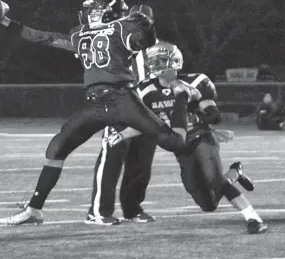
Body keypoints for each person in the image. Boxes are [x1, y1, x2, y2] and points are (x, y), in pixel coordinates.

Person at [0, 0, 191, 225]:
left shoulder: (114, 28)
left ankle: (182, 99)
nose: (88, 13)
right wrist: (5, 21)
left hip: (121, 98)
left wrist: (147, 26)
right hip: (99, 101)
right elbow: (43, 38)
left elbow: (145, 42)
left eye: (93, 9)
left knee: (174, 143)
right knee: (57, 148)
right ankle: (34, 209)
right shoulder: (88, 31)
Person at [86, 41, 268, 234]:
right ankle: (235, 173)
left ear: (175, 61)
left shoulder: (196, 81)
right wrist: (122, 134)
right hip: (180, 146)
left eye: (161, 60)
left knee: (215, 179)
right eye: (154, 61)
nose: (155, 65)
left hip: (200, 137)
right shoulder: (145, 90)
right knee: (209, 204)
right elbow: (146, 126)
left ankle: (253, 219)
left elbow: (214, 116)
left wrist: (195, 115)